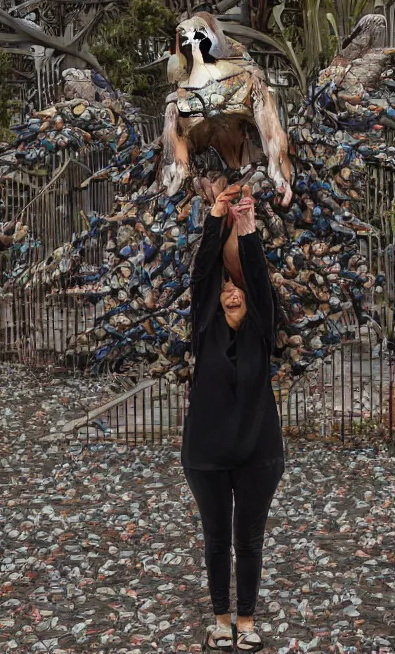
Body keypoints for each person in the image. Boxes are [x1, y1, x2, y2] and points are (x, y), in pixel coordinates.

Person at [182, 182, 286, 653]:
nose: (229, 293)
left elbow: (259, 281)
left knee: (248, 540)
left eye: (235, 288)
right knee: (215, 540)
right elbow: (202, 275)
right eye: (224, 290)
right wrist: (214, 217)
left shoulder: (262, 329)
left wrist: (246, 232)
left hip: (258, 452)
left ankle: (246, 622)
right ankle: (220, 621)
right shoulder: (203, 327)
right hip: (205, 453)